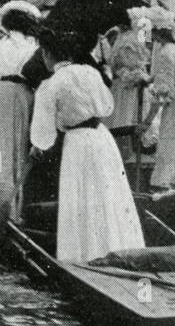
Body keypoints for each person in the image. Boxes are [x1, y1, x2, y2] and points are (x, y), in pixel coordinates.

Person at [29, 28, 144, 261]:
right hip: (101, 138)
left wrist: (37, 146)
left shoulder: (49, 85)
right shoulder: (90, 73)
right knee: (108, 193)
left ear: (47, 54)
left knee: (82, 196)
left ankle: (84, 254)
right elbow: (106, 106)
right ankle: (118, 247)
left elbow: (43, 134)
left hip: (78, 143)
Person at [0, 1, 41, 217]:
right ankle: (17, 206)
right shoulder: (34, 47)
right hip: (26, 96)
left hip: (0, 96)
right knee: (20, 150)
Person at [146, 10, 175, 191]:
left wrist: (147, 121)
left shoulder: (165, 53)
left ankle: (164, 181)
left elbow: (162, 93)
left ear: (157, 31)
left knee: (170, 136)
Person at [106, 8, 150, 131]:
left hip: (127, 84)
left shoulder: (129, 38)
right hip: (122, 83)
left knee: (126, 117)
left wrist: (118, 69)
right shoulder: (120, 35)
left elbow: (131, 63)